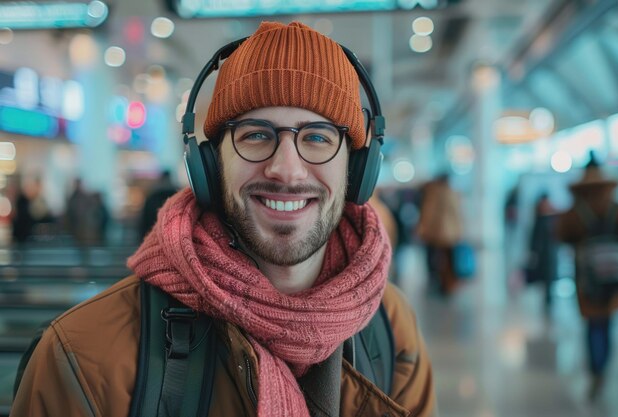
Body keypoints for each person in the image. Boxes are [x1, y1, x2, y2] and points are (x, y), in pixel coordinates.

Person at [12, 21, 437, 417]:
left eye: (317, 138)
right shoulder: (84, 356)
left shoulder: (390, 327)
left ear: (357, 168)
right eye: (255, 134)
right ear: (210, 165)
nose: (286, 170)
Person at [556, 152, 618, 401]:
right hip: (614, 276)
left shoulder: (575, 211)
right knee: (608, 322)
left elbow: (562, 235)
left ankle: (596, 368)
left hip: (586, 278)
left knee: (592, 323)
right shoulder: (616, 209)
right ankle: (603, 365)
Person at [416, 173, 464, 296]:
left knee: (433, 260)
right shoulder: (452, 193)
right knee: (447, 261)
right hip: (449, 234)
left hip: (435, 233)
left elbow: (428, 213)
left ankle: (437, 283)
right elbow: (457, 214)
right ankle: (447, 284)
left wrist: (422, 229)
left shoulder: (433, 193)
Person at [525, 192, 558, 311]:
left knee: (550, 278)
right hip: (542, 254)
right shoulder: (539, 218)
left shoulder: (553, 217)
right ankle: (546, 301)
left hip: (551, 253)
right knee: (544, 278)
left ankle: (549, 301)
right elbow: (534, 237)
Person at [138, 170, 178, 239]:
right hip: (172, 236)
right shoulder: (176, 195)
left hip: (151, 235)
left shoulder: (152, 196)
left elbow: (144, 221)